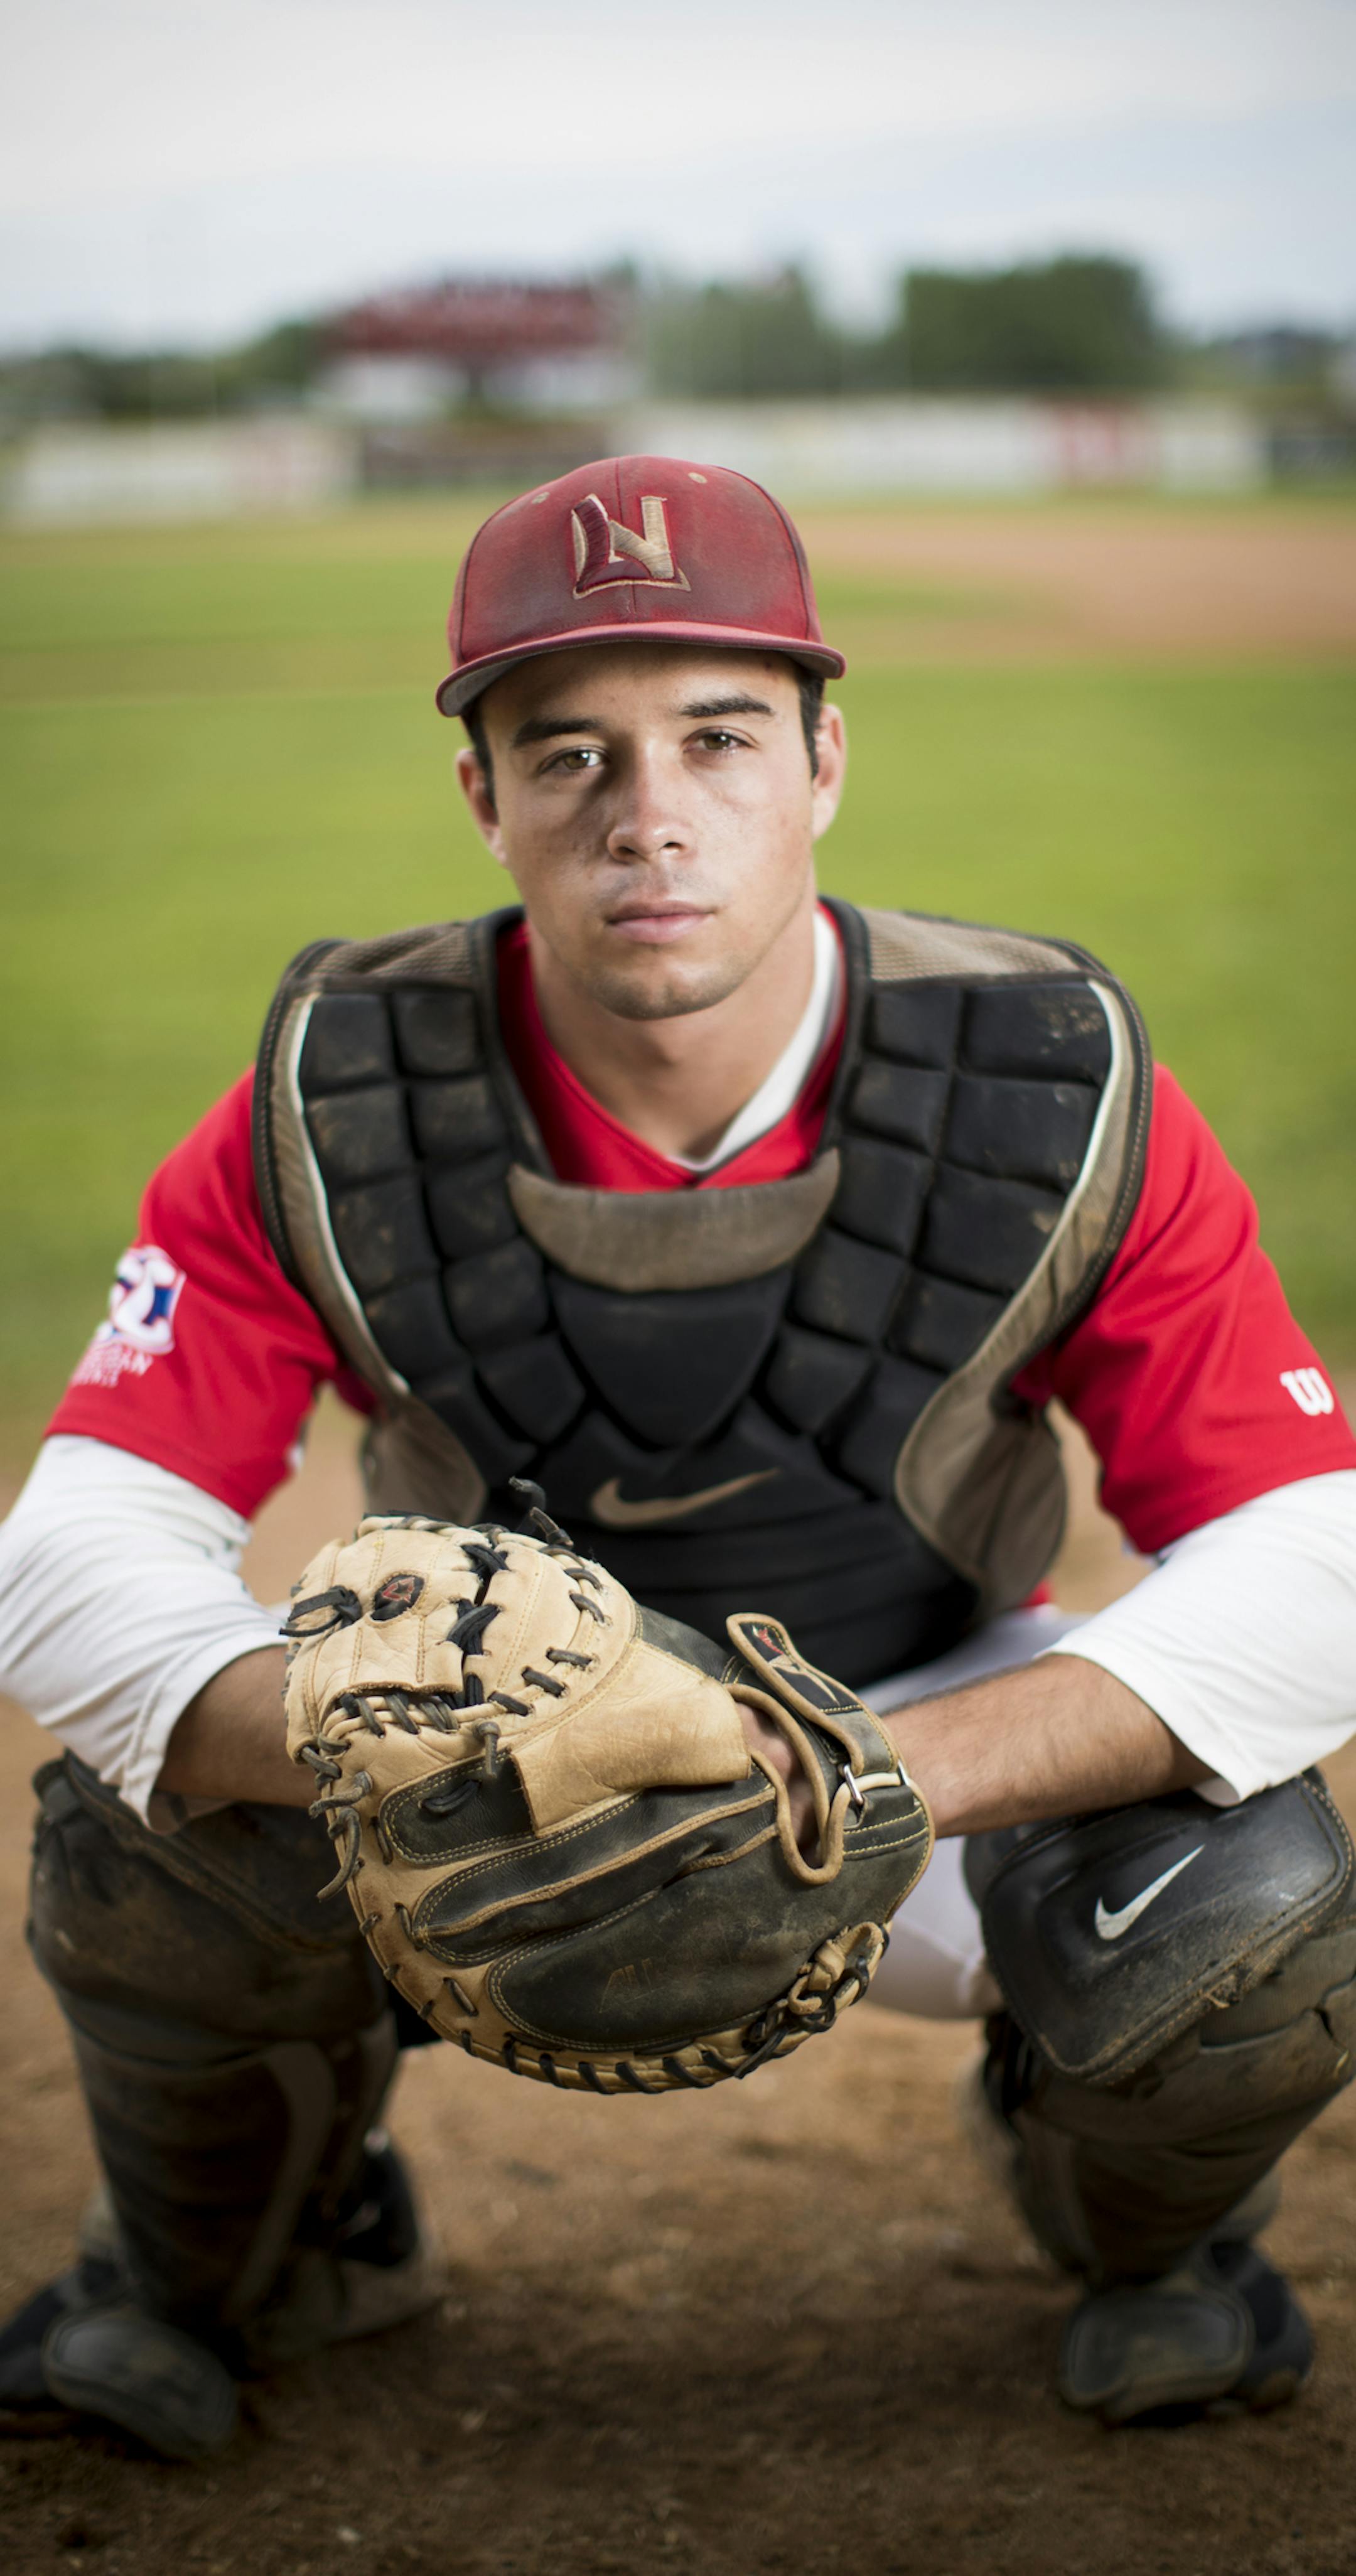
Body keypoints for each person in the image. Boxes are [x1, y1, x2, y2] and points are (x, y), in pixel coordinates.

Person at [3, 455, 1355, 2455]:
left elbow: (1308, 1556)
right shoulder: (333, 1095)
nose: (650, 818)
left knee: (1246, 1893)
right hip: (490, 1794)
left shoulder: (1053, 1083)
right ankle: (245, 2254)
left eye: (717, 739)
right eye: (570, 754)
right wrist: (426, 1752)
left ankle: (1134, 2223)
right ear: (485, 795)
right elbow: (77, 1544)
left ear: (822, 759)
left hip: (918, 1752)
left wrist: (831, 1774)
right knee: (150, 1840)